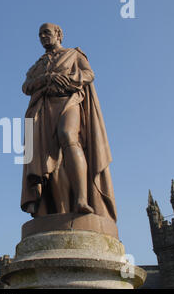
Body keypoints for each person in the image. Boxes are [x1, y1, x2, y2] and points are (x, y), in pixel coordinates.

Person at [20, 23, 117, 222]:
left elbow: (89, 74)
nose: (43, 37)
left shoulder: (74, 54)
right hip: (44, 108)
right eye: (40, 35)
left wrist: (70, 78)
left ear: (58, 34)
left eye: (46, 33)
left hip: (69, 101)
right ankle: (62, 211)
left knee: (68, 136)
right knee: (51, 161)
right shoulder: (37, 65)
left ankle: (82, 198)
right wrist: (47, 78)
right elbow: (26, 86)